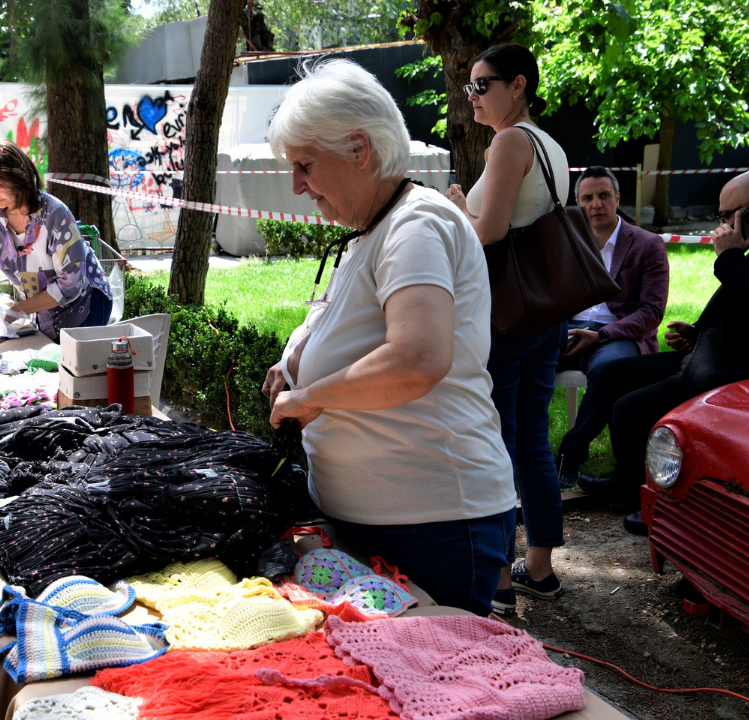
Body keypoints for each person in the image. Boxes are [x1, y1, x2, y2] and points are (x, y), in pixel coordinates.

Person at [263, 59, 517, 617]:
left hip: (432, 525)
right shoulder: (375, 228)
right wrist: (295, 362)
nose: (297, 185)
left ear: (359, 149)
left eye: (305, 165)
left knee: (438, 668)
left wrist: (310, 397)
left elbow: (416, 357)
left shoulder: (416, 224)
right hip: (390, 521)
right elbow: (355, 332)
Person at [580, 170, 749, 533]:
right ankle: (628, 478)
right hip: (716, 355)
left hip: (747, 375)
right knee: (615, 375)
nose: (722, 225)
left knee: (629, 410)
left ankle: (656, 502)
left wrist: (730, 256)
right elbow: (748, 307)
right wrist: (698, 332)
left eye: (726, 215)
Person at [443, 42, 569, 614]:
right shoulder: (549, 144)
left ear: (518, 85)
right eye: (468, 85)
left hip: (507, 314)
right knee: (532, 439)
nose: (471, 96)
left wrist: (454, 206)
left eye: (482, 85)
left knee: (492, 441)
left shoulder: (510, 141)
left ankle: (497, 581)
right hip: (547, 310)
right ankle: (539, 568)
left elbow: (487, 231)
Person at [0, 139, 111, 341]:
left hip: (86, 302)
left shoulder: (55, 215)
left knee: (75, 357)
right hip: (42, 307)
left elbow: (70, 284)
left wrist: (16, 310)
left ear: (20, 179)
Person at [555, 167, 670, 485]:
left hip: (618, 334)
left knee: (610, 371)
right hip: (570, 328)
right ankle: (520, 450)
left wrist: (602, 334)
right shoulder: (568, 242)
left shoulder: (647, 244)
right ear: (578, 204)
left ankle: (570, 453)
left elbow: (651, 311)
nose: (596, 204)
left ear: (617, 198)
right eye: (587, 198)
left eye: (604, 195)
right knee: (523, 359)